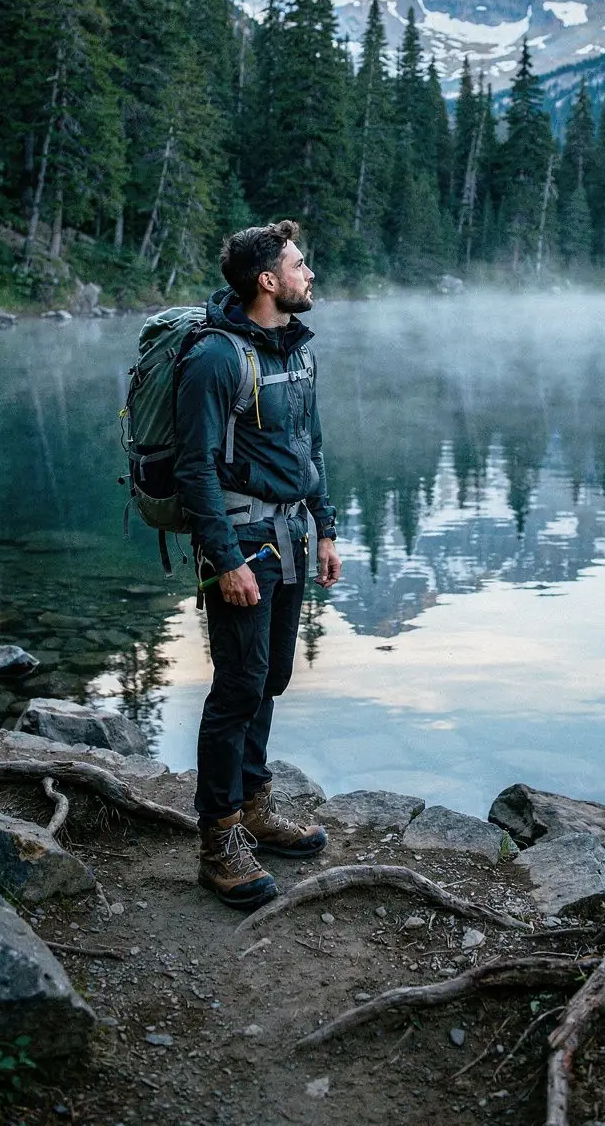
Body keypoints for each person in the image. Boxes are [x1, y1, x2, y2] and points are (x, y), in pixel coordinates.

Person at [174, 220, 341, 909]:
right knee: (237, 687)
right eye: (299, 266)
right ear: (267, 281)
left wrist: (325, 529)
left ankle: (253, 806)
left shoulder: (297, 351)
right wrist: (225, 557)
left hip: (292, 539)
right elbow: (194, 469)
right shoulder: (218, 359)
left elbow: (311, 448)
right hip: (243, 544)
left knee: (269, 677)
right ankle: (218, 841)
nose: (309, 276)